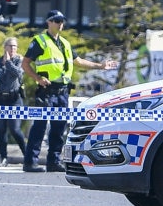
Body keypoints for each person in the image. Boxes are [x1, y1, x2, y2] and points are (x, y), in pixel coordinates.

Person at [21, 9, 117, 173]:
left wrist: (100, 66)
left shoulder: (64, 43)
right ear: (48, 22)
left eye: (62, 21)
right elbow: (25, 63)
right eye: (57, 21)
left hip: (62, 92)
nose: (60, 24)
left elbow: (78, 61)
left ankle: (53, 161)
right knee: (40, 126)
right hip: (46, 90)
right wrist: (38, 79)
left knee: (59, 128)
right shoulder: (40, 41)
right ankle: (30, 162)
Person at [0, 36, 27, 167]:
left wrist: (9, 62)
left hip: (13, 99)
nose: (13, 48)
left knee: (15, 129)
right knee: (0, 129)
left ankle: (27, 155)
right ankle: (3, 158)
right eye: (10, 46)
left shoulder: (19, 60)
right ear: (5, 47)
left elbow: (17, 74)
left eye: (15, 46)